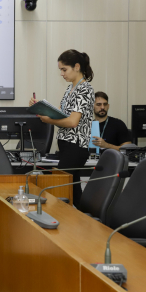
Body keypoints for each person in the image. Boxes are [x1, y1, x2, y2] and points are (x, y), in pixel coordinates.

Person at [29, 49, 94, 208]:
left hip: (76, 146)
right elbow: (59, 114)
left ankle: (73, 221)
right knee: (74, 188)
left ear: (77, 67)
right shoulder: (70, 89)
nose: (61, 74)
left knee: (59, 186)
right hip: (66, 145)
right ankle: (86, 220)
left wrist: (49, 119)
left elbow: (72, 122)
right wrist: (41, 109)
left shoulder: (84, 89)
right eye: (60, 70)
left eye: (64, 69)